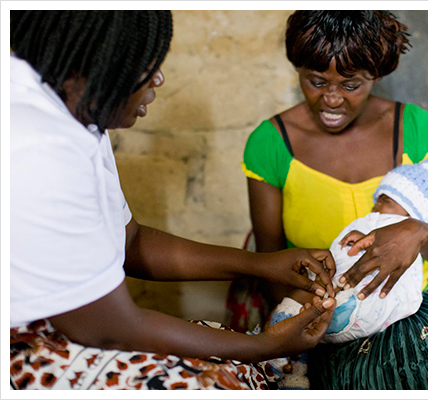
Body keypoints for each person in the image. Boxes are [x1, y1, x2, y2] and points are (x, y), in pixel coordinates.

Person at [10, 10, 337, 390]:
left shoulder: (77, 120)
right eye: (148, 64)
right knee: (222, 381)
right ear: (100, 61)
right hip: (26, 347)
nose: (159, 78)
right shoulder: (38, 145)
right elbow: (109, 330)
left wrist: (260, 266)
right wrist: (263, 345)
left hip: (86, 326)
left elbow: (130, 242)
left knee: (235, 363)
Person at [237, 10, 428, 389]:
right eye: (316, 81)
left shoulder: (413, 129)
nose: (331, 99)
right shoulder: (271, 143)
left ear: (374, 76)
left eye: (350, 85)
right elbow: (270, 265)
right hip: (323, 317)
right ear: (297, 69)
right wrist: (325, 314)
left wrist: (415, 231)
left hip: (417, 309)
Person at [270, 147, 428, 344]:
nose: (375, 206)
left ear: (415, 213)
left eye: (385, 200)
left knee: (301, 307)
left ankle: (279, 341)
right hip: (360, 312)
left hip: (360, 308)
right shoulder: (382, 226)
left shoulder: (399, 232)